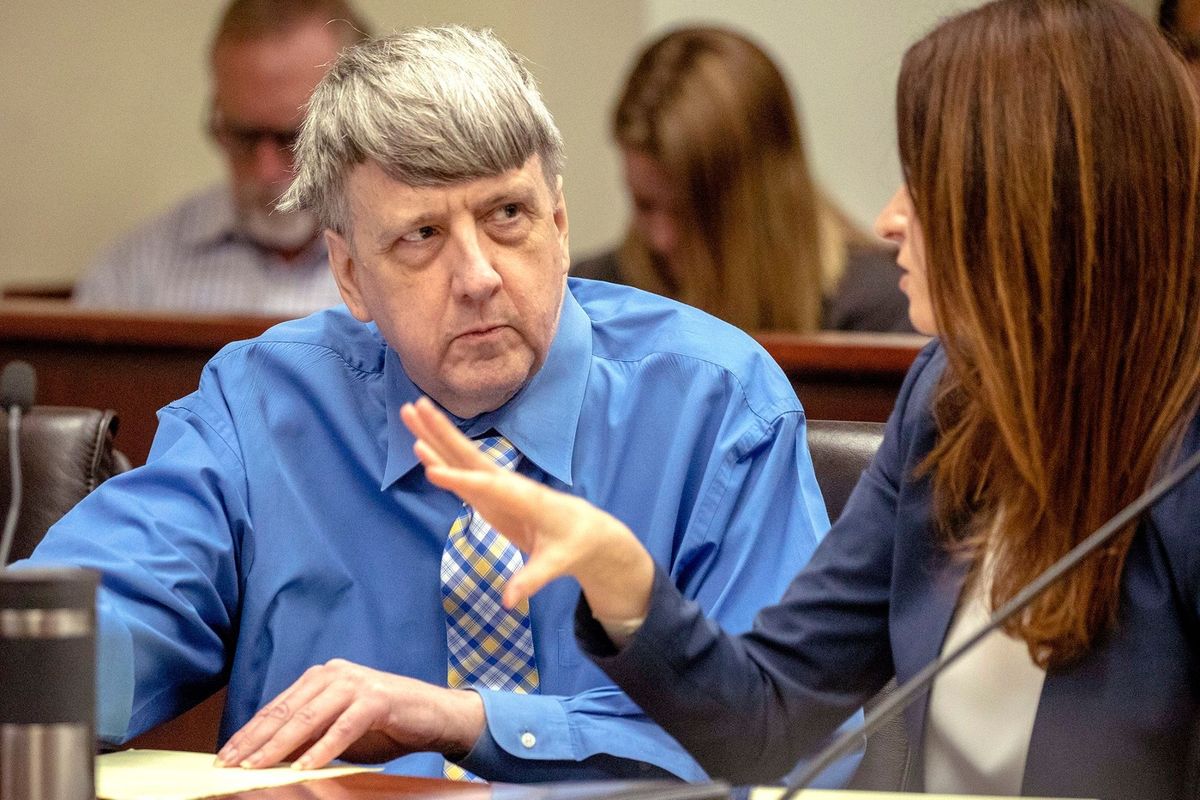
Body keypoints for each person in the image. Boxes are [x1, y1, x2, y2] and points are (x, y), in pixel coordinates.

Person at [403, 1, 1200, 797]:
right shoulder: (948, 402)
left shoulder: (1183, 458)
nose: (889, 219)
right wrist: (622, 579)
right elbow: (767, 717)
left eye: (924, 183)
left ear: (1038, 210)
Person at [25, 25, 856, 784]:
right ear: (349, 274)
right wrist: (35, 659)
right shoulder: (263, 409)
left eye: (508, 216)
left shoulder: (716, 404)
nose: (479, 276)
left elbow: (799, 739)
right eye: (421, 235)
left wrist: (472, 721)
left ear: (560, 223)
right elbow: (92, 624)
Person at [572, 27, 912, 334]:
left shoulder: (880, 312)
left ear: (767, 201)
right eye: (644, 205)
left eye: (696, 214)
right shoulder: (587, 299)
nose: (663, 240)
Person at [72, 0, 369, 315]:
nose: (266, 171)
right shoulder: (134, 275)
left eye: (295, 138)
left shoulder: (400, 261)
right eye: (243, 136)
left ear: (359, 121)